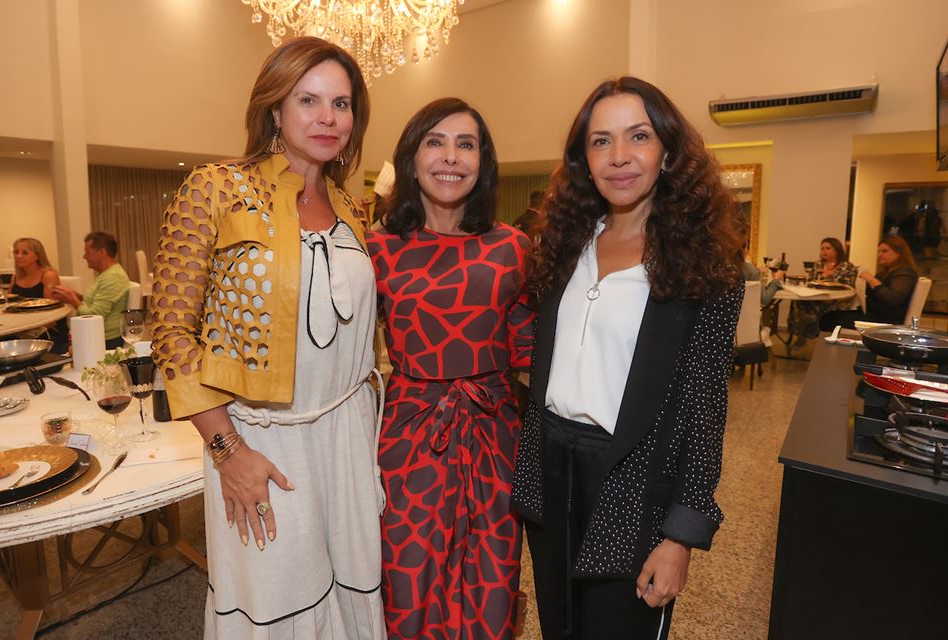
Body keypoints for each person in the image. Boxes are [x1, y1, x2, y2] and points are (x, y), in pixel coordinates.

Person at [149, 37, 386, 639]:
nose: (328, 118)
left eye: (342, 103)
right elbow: (171, 333)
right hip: (259, 442)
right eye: (309, 100)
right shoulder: (216, 189)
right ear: (275, 109)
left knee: (354, 590)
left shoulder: (353, 210)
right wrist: (229, 453)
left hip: (348, 436)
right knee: (276, 599)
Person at [511, 76, 744, 639]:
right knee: (560, 629)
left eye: (637, 136)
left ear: (667, 151)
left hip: (634, 480)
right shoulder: (565, 245)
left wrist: (680, 536)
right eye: (600, 141)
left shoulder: (704, 264)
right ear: (582, 158)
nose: (619, 157)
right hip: (552, 468)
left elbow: (705, 407)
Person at [367, 97, 533, 639]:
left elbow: (536, 350)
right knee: (408, 580)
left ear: (483, 161)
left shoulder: (514, 248)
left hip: (496, 435)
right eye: (435, 142)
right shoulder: (377, 249)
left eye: (466, 144)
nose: (450, 157)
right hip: (409, 436)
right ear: (411, 158)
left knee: (492, 580)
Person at [51, 231, 130, 349]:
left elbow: (94, 316)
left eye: (87, 252)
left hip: (103, 340)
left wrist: (72, 299)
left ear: (102, 252)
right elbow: (95, 302)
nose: (84, 256)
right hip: (94, 335)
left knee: (53, 348)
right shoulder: (103, 274)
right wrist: (74, 295)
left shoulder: (113, 277)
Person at [821, 235, 919, 329]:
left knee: (829, 319)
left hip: (885, 319)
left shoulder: (905, 272)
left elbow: (893, 298)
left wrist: (871, 279)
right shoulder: (885, 273)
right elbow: (874, 293)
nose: (879, 255)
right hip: (875, 314)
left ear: (899, 253)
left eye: (884, 251)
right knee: (829, 315)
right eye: (879, 252)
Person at [789, 237, 858, 347]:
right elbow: (810, 282)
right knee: (799, 301)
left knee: (809, 311)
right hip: (817, 298)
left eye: (828, 248)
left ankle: (805, 332)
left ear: (837, 250)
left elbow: (849, 288)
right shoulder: (818, 265)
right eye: (822, 248)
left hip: (837, 301)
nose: (824, 251)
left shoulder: (847, 267)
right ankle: (807, 325)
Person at [9, 237, 69, 353]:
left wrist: (25, 328)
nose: (19, 256)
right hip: (24, 329)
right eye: (16, 252)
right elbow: (9, 307)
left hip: (49, 331)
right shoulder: (15, 277)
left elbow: (51, 317)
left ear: (37, 256)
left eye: (24, 252)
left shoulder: (48, 275)